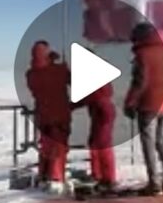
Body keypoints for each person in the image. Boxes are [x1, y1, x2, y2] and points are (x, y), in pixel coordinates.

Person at [124, 23, 163, 196]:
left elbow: (140, 82)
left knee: (148, 143)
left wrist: (130, 103)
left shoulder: (143, 54)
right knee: (160, 140)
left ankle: (154, 183)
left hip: (148, 104)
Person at [26, 41, 71, 192]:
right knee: (58, 147)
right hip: (60, 114)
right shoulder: (59, 71)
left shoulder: (31, 74)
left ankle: (44, 176)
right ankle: (56, 178)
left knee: (46, 146)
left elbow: (35, 90)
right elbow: (72, 81)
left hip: (43, 115)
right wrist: (62, 66)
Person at [73, 77, 117, 193]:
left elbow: (88, 97)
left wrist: (71, 105)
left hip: (102, 112)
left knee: (102, 144)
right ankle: (98, 174)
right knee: (95, 142)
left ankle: (108, 178)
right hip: (101, 111)